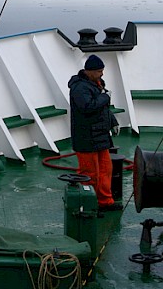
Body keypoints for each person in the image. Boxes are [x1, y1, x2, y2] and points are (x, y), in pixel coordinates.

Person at [67, 54, 122, 211]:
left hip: (100, 135)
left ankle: (105, 201)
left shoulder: (97, 84)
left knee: (105, 169)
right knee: (89, 173)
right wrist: (105, 97)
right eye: (99, 71)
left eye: (102, 71)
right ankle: (88, 203)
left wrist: (113, 121)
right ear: (89, 71)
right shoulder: (79, 88)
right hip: (86, 137)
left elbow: (102, 109)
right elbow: (87, 107)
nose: (102, 74)